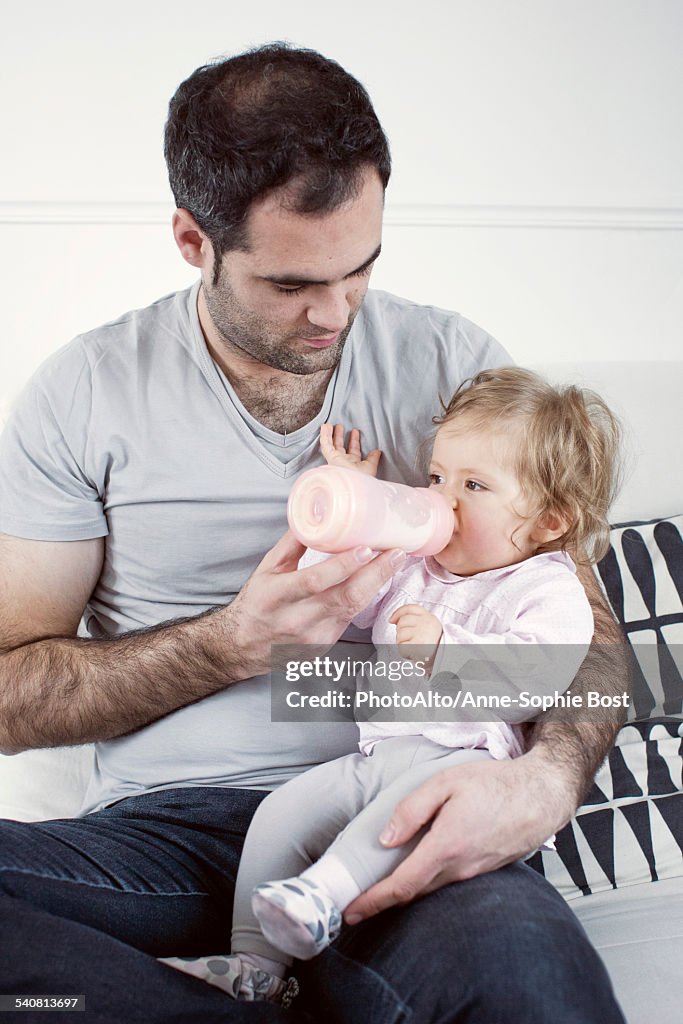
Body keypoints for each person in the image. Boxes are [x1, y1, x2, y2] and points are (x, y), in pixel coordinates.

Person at [0, 43, 627, 1023]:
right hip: (162, 835)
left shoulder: (452, 366)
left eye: (359, 268)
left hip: (411, 810)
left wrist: (544, 782)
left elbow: (582, 642)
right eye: (292, 282)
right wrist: (230, 643)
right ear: (192, 240)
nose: (334, 312)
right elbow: (7, 692)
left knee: (529, 987)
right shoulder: (85, 394)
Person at [159, 367, 621, 1003]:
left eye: (474, 485)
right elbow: (342, 603)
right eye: (436, 477)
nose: (442, 500)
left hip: (463, 765)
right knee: (280, 815)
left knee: (388, 824)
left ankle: (324, 897)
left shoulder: (548, 589)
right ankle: (254, 965)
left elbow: (537, 681)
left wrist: (444, 652)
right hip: (379, 754)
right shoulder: (417, 568)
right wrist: (356, 518)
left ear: (548, 520)